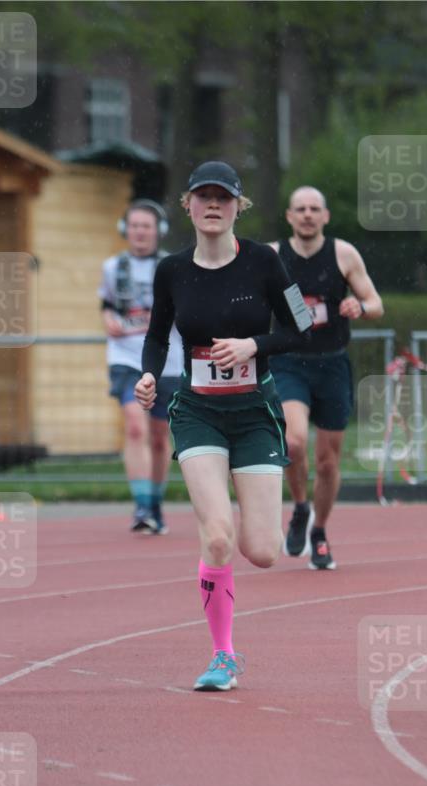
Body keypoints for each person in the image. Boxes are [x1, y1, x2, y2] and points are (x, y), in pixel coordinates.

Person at [134, 162, 311, 692]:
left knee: (262, 551)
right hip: (198, 412)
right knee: (217, 538)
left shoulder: (264, 262)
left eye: (224, 198)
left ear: (239, 206)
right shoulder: (171, 270)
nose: (213, 205)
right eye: (203, 197)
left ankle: (274, 512)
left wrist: (256, 345)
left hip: (255, 412)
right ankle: (224, 656)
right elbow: (156, 335)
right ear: (187, 205)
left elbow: (302, 328)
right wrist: (147, 376)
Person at [269, 186, 383, 569]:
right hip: (289, 363)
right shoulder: (273, 255)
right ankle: (300, 507)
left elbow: (376, 304)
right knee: (294, 441)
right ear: (289, 216)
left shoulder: (343, 253)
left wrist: (360, 305)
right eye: (299, 209)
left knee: (329, 462)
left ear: (325, 216)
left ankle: (319, 530)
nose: (306, 215)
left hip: (332, 364)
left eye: (314, 209)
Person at [98, 199, 184, 534]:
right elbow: (106, 303)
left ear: (158, 231)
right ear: (125, 230)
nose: (140, 232)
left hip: (168, 358)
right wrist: (108, 319)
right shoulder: (112, 267)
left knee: (161, 437)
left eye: (146, 226)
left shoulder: (173, 266)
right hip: (126, 356)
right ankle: (142, 505)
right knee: (136, 426)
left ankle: (156, 502)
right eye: (134, 226)